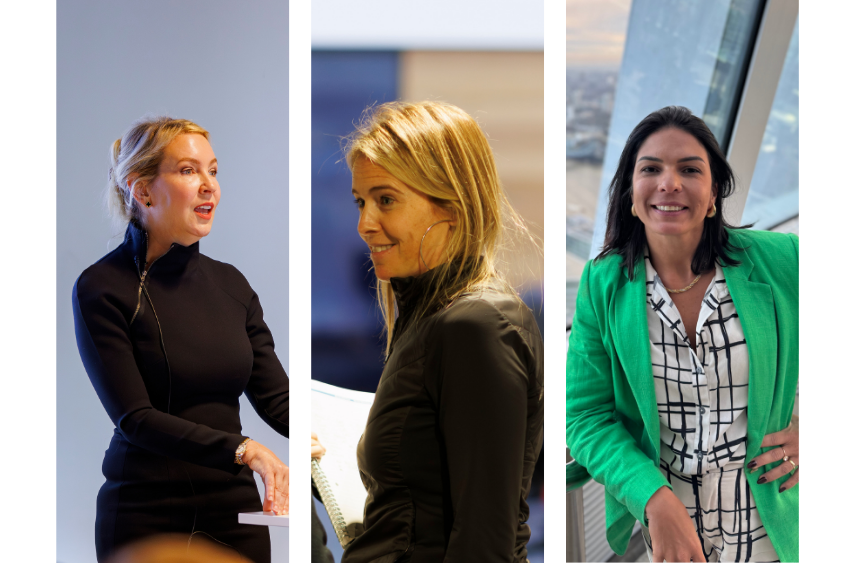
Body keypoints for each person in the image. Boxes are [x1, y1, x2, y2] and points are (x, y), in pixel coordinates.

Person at [312, 100, 544, 563]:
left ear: (452, 206)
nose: (364, 224)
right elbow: (413, 516)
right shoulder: (429, 318)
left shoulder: (476, 326)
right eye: (361, 202)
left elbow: (484, 543)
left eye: (386, 200)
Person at [566, 106, 798, 562]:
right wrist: (653, 498)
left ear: (713, 194)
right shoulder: (602, 283)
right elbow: (585, 417)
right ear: (632, 194)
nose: (669, 182)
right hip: (673, 533)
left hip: (773, 527)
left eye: (689, 169)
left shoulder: (782, 260)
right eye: (651, 168)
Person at [72, 117, 290, 563]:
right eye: (190, 171)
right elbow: (135, 418)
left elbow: (279, 400)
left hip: (234, 515)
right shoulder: (102, 287)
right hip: (144, 515)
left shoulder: (233, 286)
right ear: (143, 190)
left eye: (213, 170)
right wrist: (243, 449)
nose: (210, 186)